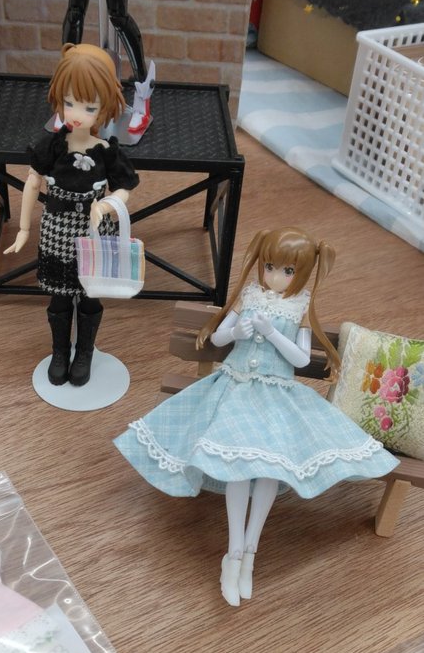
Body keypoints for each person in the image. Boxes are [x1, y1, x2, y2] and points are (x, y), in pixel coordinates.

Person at [113, 227, 399, 606]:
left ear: (302, 273)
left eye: (287, 271)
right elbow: (218, 339)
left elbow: (300, 359)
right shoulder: (249, 297)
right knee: (239, 465)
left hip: (276, 397)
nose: (276, 277)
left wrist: (273, 334)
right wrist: (238, 329)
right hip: (234, 390)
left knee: (268, 470)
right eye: (270, 267)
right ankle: (232, 554)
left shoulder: (299, 307)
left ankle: (250, 552)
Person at [4, 43, 139, 386]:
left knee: (90, 293)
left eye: (89, 107)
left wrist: (108, 204)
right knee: (60, 294)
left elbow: (125, 187)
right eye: (69, 103)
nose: (77, 113)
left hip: (93, 231)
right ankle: (60, 351)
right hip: (56, 229)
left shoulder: (106, 152)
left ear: (105, 107)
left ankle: (85, 351)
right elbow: (33, 181)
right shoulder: (52, 146)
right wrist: (23, 228)